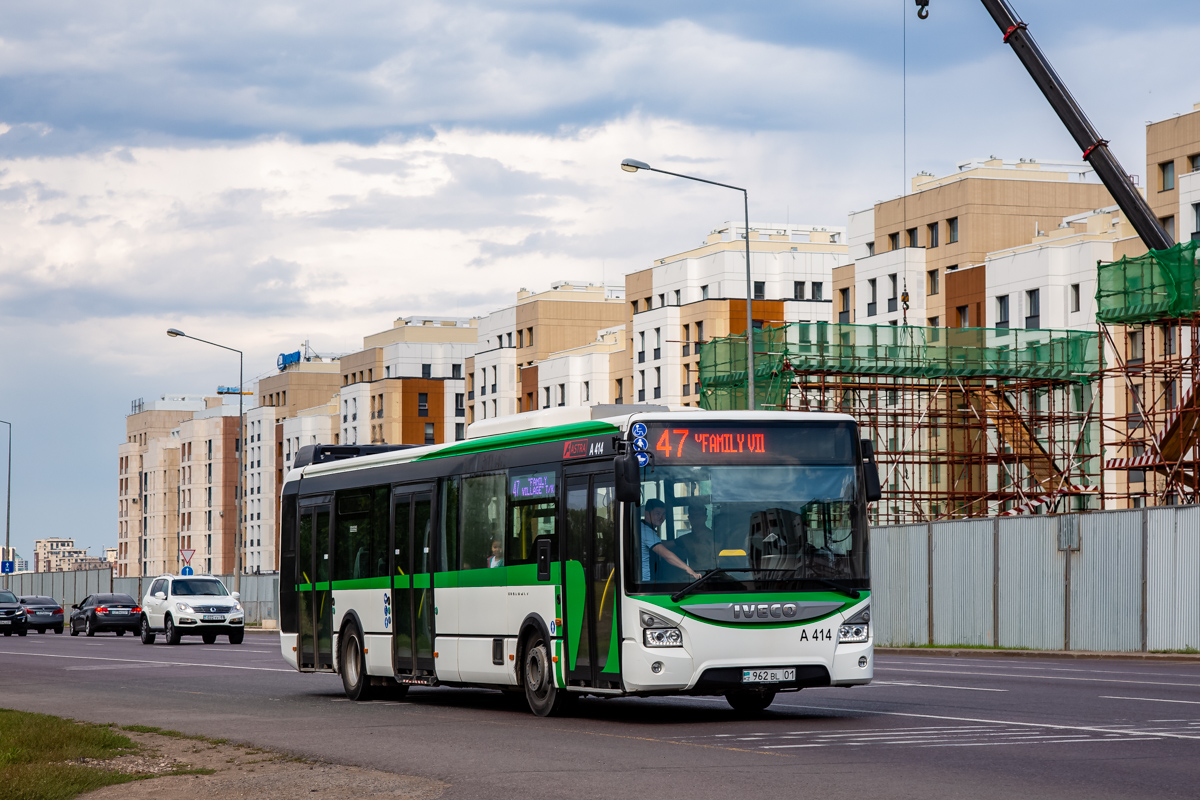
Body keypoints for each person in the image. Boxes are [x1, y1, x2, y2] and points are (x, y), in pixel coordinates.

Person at [640, 499, 700, 582]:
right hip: (646, 581)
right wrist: (688, 569)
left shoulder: (643, 528)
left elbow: (661, 545)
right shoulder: (646, 531)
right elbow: (666, 555)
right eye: (658, 514)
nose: (661, 517)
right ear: (647, 513)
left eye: (664, 514)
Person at [666, 502, 717, 571]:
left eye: (698, 516)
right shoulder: (685, 539)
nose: (695, 519)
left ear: (705, 517)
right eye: (693, 516)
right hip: (694, 579)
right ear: (689, 518)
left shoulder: (714, 538)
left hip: (712, 577)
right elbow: (663, 546)